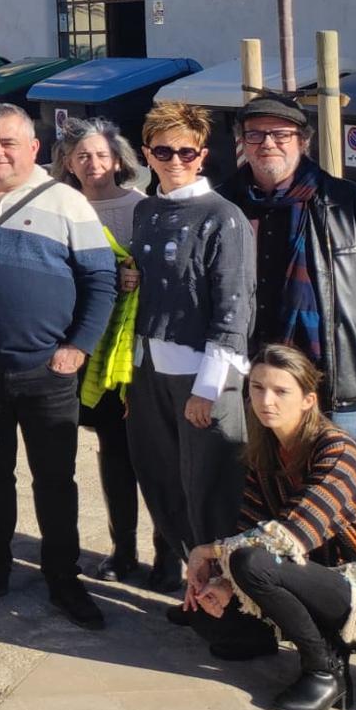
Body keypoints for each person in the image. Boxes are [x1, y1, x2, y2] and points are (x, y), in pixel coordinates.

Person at [0, 104, 117, 628]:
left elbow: (102, 281)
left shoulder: (69, 203)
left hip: (48, 373)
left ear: (34, 149)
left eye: (8, 143)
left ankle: (63, 577)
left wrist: (79, 345)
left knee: (55, 480)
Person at [185, 344, 356, 710]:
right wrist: (222, 584)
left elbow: (290, 535)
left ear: (309, 399)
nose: (266, 401)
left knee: (251, 563)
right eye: (257, 388)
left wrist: (206, 552)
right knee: (208, 614)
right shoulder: (268, 450)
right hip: (303, 575)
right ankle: (269, 635)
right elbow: (251, 525)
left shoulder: (339, 453)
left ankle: (325, 671)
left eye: (281, 391)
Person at [217, 94, 356, 459]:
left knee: (343, 494)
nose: (268, 144)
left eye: (281, 134)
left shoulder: (350, 203)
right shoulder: (224, 205)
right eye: (256, 135)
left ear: (302, 141)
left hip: (334, 381)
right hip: (254, 383)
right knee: (266, 495)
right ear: (242, 142)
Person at [126, 102, 254, 608]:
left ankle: (234, 607)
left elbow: (234, 305)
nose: (174, 159)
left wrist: (208, 388)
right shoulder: (145, 209)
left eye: (186, 151)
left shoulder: (224, 217)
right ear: (146, 155)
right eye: (163, 150)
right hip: (146, 370)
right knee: (163, 487)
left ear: (202, 155)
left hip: (201, 376)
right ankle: (197, 593)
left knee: (212, 494)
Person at [51, 116, 175, 589]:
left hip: (136, 350)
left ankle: (168, 555)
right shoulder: (62, 205)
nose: (93, 163)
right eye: (82, 155)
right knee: (114, 453)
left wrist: (137, 275)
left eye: (102, 154)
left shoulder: (142, 206)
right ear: (68, 162)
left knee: (155, 456)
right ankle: (123, 550)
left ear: (118, 158)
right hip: (89, 346)